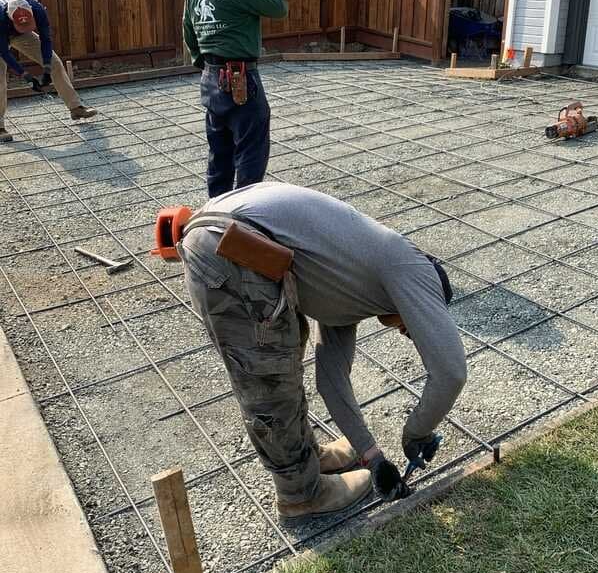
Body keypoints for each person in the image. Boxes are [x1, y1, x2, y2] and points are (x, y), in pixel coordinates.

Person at [153, 183, 467, 524]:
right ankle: (301, 495)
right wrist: (416, 434)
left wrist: (372, 458)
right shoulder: (412, 270)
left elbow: (330, 381)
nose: (408, 333)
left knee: (283, 363)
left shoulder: (350, 283)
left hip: (229, 235)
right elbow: (450, 373)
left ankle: (308, 459)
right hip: (233, 246)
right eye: (413, 326)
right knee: (269, 380)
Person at [182, 0, 288, 197]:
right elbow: (279, 6)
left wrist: (204, 66)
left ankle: (215, 213)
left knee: (219, 153)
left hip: (211, 79)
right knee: (251, 152)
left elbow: (188, 31)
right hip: (240, 79)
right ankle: (242, 218)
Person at [0, 0, 97, 143]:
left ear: (31, 12)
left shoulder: (37, 8)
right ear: (10, 17)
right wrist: (26, 76)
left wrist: (46, 68)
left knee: (55, 63)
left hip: (19, 33)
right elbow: (4, 53)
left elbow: (46, 39)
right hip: (1, 34)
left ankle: (76, 108)